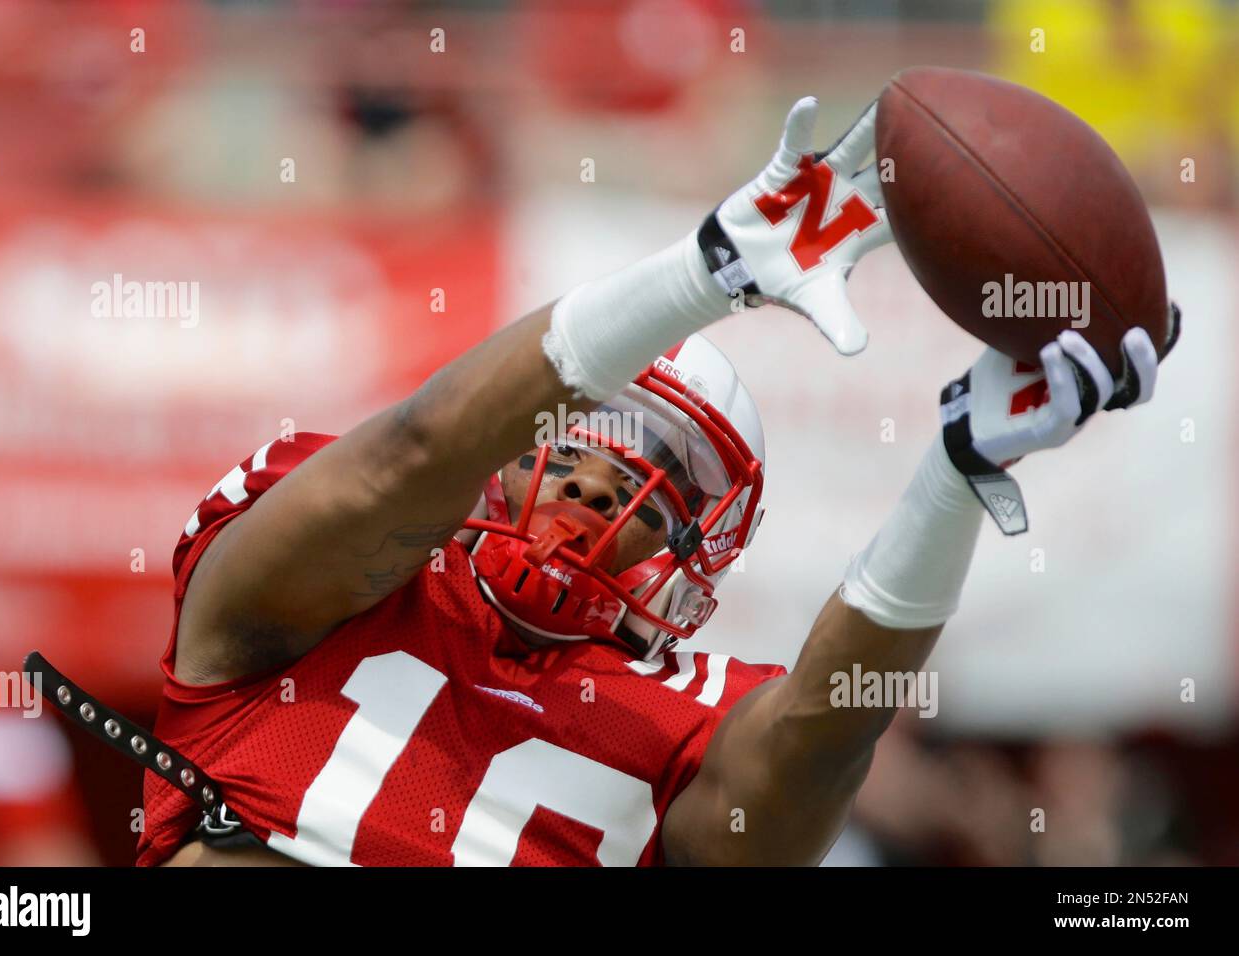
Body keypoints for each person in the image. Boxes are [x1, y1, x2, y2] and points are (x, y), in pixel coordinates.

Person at [138, 95, 1174, 866]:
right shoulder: (328, 589)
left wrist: (954, 476)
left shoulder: (689, 715)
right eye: (583, 436)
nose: (601, 483)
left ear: (703, 543)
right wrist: (706, 269)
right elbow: (410, 455)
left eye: (666, 473)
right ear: (509, 448)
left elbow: (821, 741)